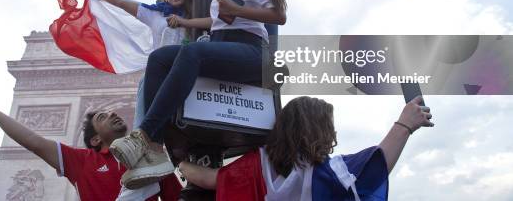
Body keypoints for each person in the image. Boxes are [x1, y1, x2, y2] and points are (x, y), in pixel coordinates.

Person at [108, 0, 287, 190]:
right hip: (222, 47)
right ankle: (156, 148)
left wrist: (238, 10)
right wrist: (184, 21)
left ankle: (143, 135)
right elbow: (216, 21)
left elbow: (279, 16)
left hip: (252, 52)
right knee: (159, 58)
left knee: (193, 51)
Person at [178, 95, 434, 200]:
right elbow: (372, 168)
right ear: (316, 130)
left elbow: (211, 179)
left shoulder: (258, 163)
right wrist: (404, 126)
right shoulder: (325, 173)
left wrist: (178, 162)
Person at [0, 76, 181, 201]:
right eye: (103, 117)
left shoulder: (152, 159)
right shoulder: (82, 161)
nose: (113, 115)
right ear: (95, 140)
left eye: (112, 114)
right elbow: (33, 141)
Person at [89, 0, 193, 130]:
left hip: (187, 72)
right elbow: (122, 3)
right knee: (146, 99)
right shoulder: (155, 14)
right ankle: (141, 137)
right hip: (163, 72)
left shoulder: (197, 14)